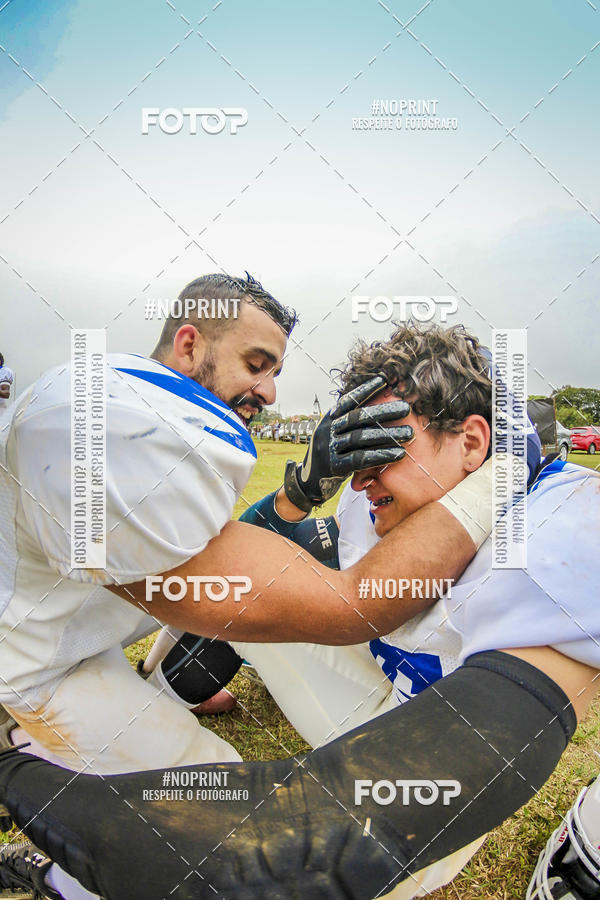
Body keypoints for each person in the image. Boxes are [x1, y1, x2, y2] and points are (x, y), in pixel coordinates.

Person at [1, 323, 596, 899]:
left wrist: (15, 777)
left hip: (423, 804)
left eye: (385, 444)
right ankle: (159, 699)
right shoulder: (374, 503)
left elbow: (293, 855)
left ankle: (58, 880)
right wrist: (303, 487)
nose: (360, 479)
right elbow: (250, 566)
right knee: (262, 596)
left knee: (222, 828)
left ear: (472, 442)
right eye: (358, 445)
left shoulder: (563, 534)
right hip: (379, 694)